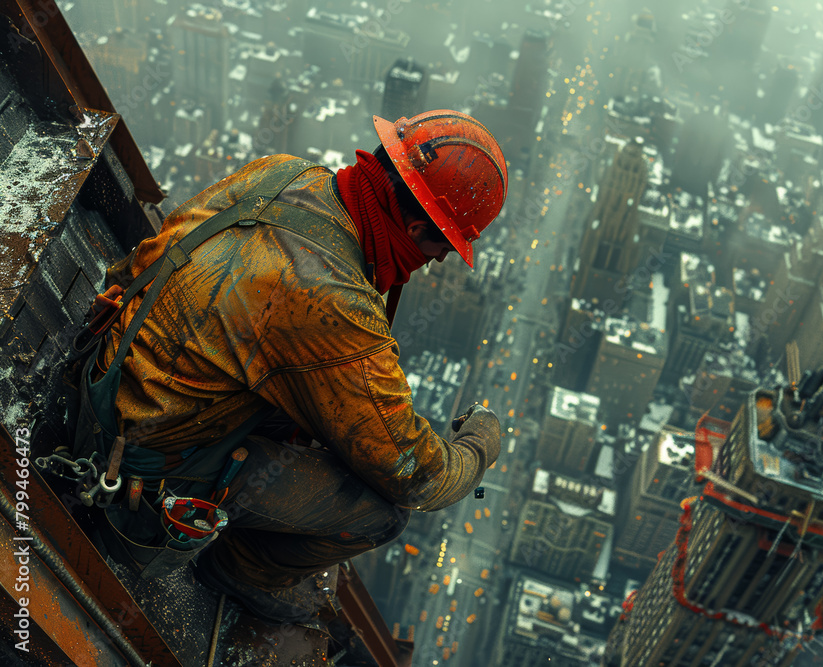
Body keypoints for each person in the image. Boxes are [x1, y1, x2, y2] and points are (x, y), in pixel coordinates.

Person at [81, 110, 506, 624]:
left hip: (102, 379)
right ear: (416, 227)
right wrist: (480, 445)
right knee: (382, 514)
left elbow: (141, 262)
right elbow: (415, 475)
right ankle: (241, 570)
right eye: (443, 247)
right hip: (136, 472)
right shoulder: (332, 301)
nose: (438, 261)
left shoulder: (283, 173)